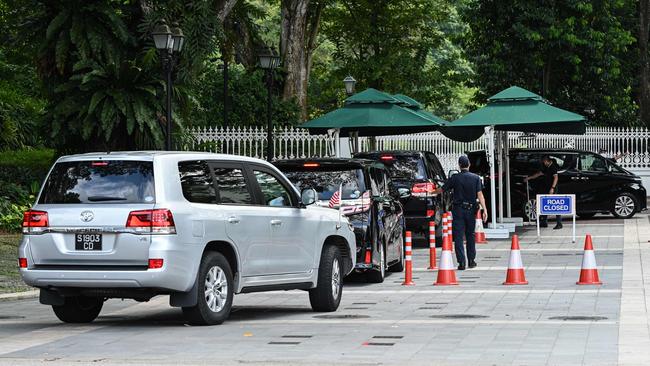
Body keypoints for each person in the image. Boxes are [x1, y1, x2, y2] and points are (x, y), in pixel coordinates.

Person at [434, 155, 487, 270]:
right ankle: (471, 261)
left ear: (459, 165)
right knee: (470, 235)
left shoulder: (455, 178)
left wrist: (432, 191)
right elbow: (480, 195)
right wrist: (485, 209)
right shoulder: (476, 178)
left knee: (458, 236)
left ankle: (461, 262)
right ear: (469, 164)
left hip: (458, 210)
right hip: (471, 210)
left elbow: (442, 189)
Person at [524, 155, 563, 229]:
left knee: (555, 205)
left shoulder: (553, 167)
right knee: (545, 204)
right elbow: (539, 174)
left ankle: (559, 223)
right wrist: (529, 178)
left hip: (552, 189)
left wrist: (552, 188)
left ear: (546, 161)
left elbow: (556, 178)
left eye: (544, 162)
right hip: (547, 188)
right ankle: (544, 222)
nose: (543, 163)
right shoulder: (546, 167)